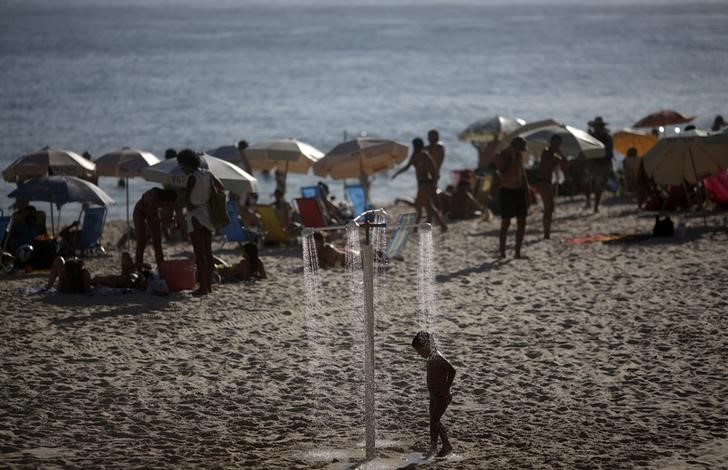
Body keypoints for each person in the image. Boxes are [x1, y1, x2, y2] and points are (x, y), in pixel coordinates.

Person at [179, 149, 224, 296]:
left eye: (182, 166)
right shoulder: (208, 174)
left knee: (199, 255)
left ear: (188, 164)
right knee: (208, 253)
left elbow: (187, 200)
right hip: (207, 215)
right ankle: (208, 286)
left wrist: (192, 205)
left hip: (195, 216)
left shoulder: (192, 177)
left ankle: (203, 288)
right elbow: (221, 187)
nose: (181, 169)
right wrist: (208, 196)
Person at [411, 331, 456, 458]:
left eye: (420, 351)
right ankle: (433, 447)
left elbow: (452, 370)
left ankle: (447, 445)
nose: (418, 354)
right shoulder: (430, 357)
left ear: (427, 345)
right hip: (434, 396)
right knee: (432, 421)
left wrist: (446, 389)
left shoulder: (437, 356)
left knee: (435, 420)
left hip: (442, 396)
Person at [392, 138, 448, 232]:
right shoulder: (415, 155)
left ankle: (415, 228)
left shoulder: (425, 155)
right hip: (421, 184)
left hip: (426, 183)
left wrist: (434, 183)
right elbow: (407, 166)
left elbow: (434, 169)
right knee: (428, 206)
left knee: (419, 206)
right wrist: (397, 173)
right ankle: (442, 225)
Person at [495, 137, 529, 258]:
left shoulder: (519, 155)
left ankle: (517, 252)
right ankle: (502, 252)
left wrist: (527, 191)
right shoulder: (502, 156)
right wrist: (512, 158)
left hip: (519, 191)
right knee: (506, 223)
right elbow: (503, 173)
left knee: (522, 222)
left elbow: (522, 173)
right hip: (507, 191)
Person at [535, 135, 566, 239]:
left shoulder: (555, 154)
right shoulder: (546, 152)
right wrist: (556, 159)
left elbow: (565, 165)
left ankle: (547, 231)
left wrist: (560, 154)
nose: (556, 145)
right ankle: (546, 233)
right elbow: (546, 164)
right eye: (555, 143)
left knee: (550, 208)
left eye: (558, 144)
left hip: (548, 182)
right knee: (548, 207)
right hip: (542, 182)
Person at [585, 116, 614, 213]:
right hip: (593, 164)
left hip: (601, 165)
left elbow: (609, 153)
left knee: (598, 186)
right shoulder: (591, 136)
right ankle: (589, 201)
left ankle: (595, 205)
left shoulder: (606, 137)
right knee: (588, 183)